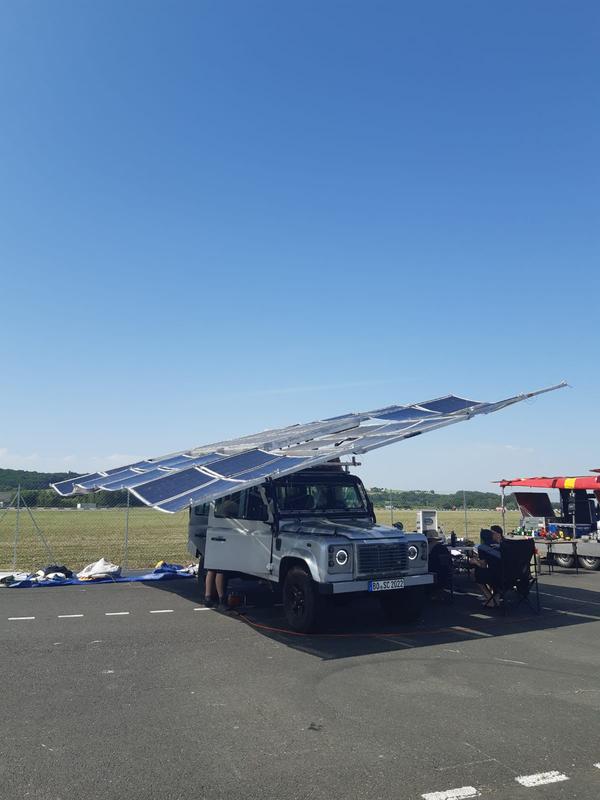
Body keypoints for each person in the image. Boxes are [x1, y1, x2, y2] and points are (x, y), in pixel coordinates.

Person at [469, 527, 504, 606]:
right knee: (495, 572)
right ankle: (496, 599)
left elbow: (483, 565)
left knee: (474, 574)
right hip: (507, 574)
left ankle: (489, 599)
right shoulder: (500, 545)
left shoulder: (482, 547)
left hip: (495, 575)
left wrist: (475, 561)